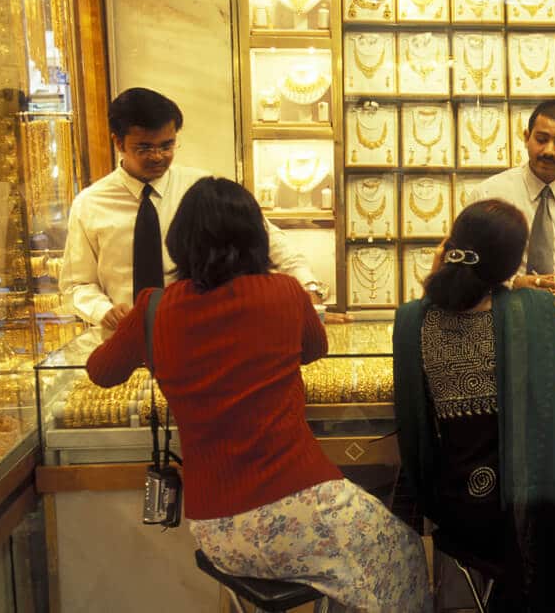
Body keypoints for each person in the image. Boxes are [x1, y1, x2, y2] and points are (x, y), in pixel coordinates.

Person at [86, 177, 430, 612]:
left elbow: (101, 371)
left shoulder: (152, 308)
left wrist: (141, 334)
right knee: (404, 552)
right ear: (256, 237)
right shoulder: (286, 293)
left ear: (180, 241)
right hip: (299, 501)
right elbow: (315, 347)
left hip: (215, 528)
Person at [393, 198, 555, 612]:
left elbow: (445, 299)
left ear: (450, 246)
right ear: (511, 266)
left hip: (456, 507)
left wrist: (439, 271)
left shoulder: (412, 319)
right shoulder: (534, 311)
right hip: (532, 509)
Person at [59, 87, 337, 330]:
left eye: (167, 145)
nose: (158, 156)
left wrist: (307, 286)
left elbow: (271, 242)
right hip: (125, 336)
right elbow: (77, 284)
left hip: (200, 334)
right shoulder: (90, 203)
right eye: (144, 148)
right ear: (118, 143)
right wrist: (103, 311)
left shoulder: (201, 188)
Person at [469, 100, 555, 306]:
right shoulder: (488, 195)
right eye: (541, 139)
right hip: (503, 321)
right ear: (527, 138)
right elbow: (465, 265)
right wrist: (513, 283)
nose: (549, 151)